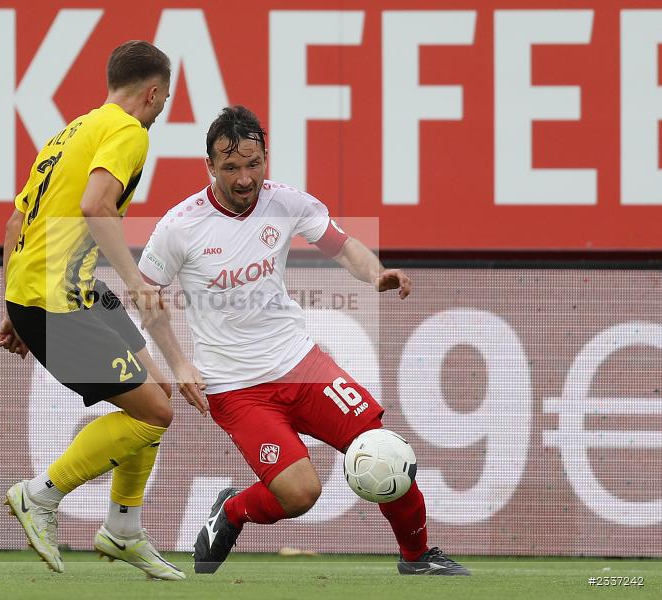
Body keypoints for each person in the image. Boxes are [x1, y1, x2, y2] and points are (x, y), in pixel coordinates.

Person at [137, 105, 470, 576]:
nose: (244, 177)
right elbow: (145, 295)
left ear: (266, 159)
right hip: (236, 387)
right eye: (230, 167)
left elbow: (340, 244)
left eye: (253, 164)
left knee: (382, 449)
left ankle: (417, 557)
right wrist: (178, 362)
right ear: (209, 166)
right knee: (300, 493)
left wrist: (377, 274)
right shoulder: (179, 226)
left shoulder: (286, 202)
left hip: (302, 364)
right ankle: (232, 511)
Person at [0, 40, 205, 581]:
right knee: (156, 414)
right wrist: (137, 283)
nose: (160, 112)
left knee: (156, 398)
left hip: (51, 291)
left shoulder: (70, 131)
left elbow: (16, 222)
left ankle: (123, 530)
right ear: (154, 92)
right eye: (163, 102)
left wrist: (12, 303)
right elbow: (95, 206)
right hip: (57, 301)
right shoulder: (129, 132)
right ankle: (40, 496)